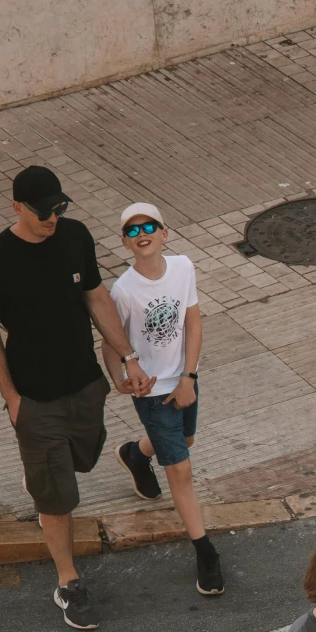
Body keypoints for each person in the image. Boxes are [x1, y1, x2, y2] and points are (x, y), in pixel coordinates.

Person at [0, 165, 153, 630]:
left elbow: (95, 298)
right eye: (43, 211)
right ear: (17, 207)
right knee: (57, 495)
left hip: (85, 386)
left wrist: (128, 356)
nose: (52, 217)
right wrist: (13, 400)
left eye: (58, 207)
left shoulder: (74, 236)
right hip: (36, 400)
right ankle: (68, 582)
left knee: (83, 456)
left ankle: (84, 467)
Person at [104, 201, 223, 597]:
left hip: (184, 379)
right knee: (181, 471)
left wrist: (189, 376)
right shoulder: (123, 290)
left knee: (184, 442)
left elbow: (192, 321)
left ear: (164, 233)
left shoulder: (184, 267)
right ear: (124, 242)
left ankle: (136, 454)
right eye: (133, 232)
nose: (142, 235)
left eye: (149, 227)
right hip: (152, 391)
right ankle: (204, 550)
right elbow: (109, 340)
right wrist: (119, 378)